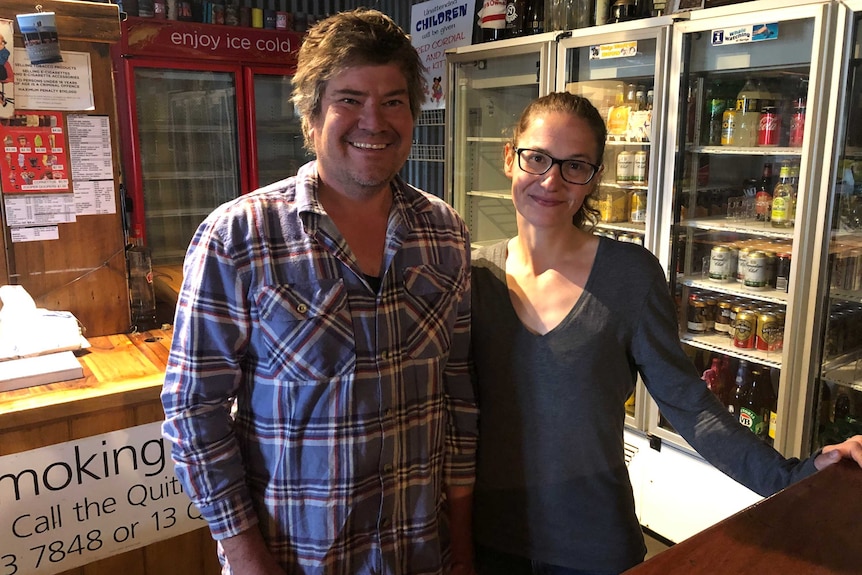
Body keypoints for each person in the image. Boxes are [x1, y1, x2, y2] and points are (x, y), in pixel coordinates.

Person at [469, 91, 862, 575]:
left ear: (593, 178)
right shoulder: (473, 274)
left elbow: (689, 405)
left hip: (593, 544)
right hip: (487, 539)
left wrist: (794, 475)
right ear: (511, 157)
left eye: (575, 166)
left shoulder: (629, 276)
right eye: (537, 158)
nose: (552, 179)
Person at [161, 9, 478, 575]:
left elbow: (456, 393)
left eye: (394, 101)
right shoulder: (238, 237)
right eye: (350, 99)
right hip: (297, 559)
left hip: (422, 553)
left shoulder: (444, 232)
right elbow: (193, 412)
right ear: (311, 117)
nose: (373, 121)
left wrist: (462, 539)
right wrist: (247, 558)